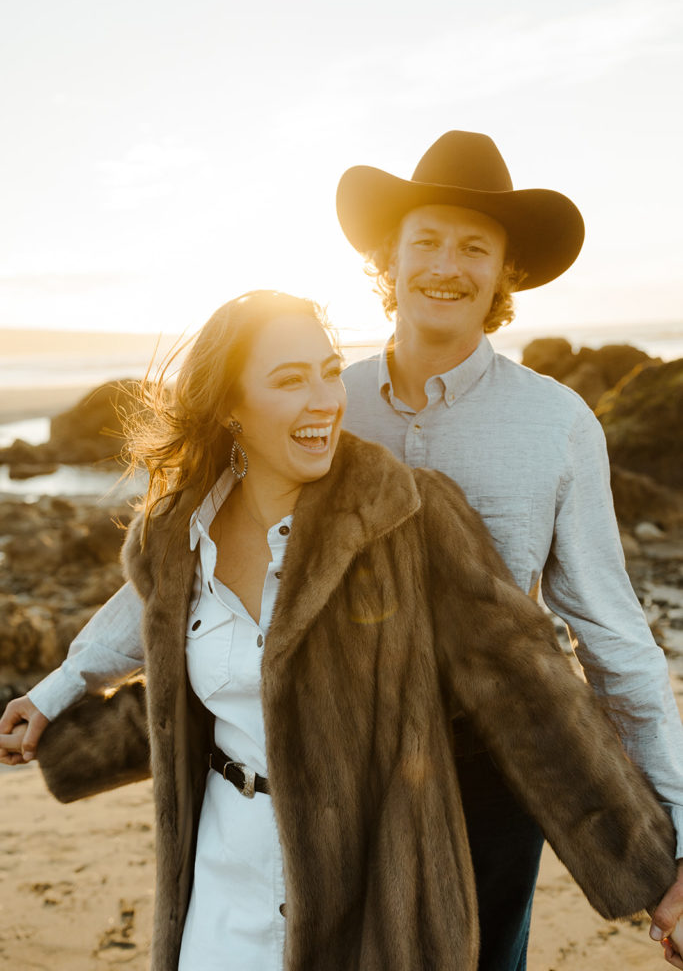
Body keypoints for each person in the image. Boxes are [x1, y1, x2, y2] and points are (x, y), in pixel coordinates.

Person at [0, 290, 679, 971]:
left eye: (329, 370)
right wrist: (54, 704)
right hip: (215, 893)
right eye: (289, 380)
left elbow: (538, 704)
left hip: (369, 907)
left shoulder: (406, 517)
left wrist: (658, 877)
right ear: (229, 405)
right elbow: (179, 683)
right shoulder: (176, 535)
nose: (324, 397)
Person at [336, 129, 683, 970]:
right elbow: (215, 561)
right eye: (425, 241)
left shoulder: (557, 424)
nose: (445, 266)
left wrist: (677, 837)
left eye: (473, 248)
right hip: (341, 751)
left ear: (504, 274)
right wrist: (69, 686)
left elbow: (609, 631)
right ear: (391, 258)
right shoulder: (327, 403)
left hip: (495, 762)